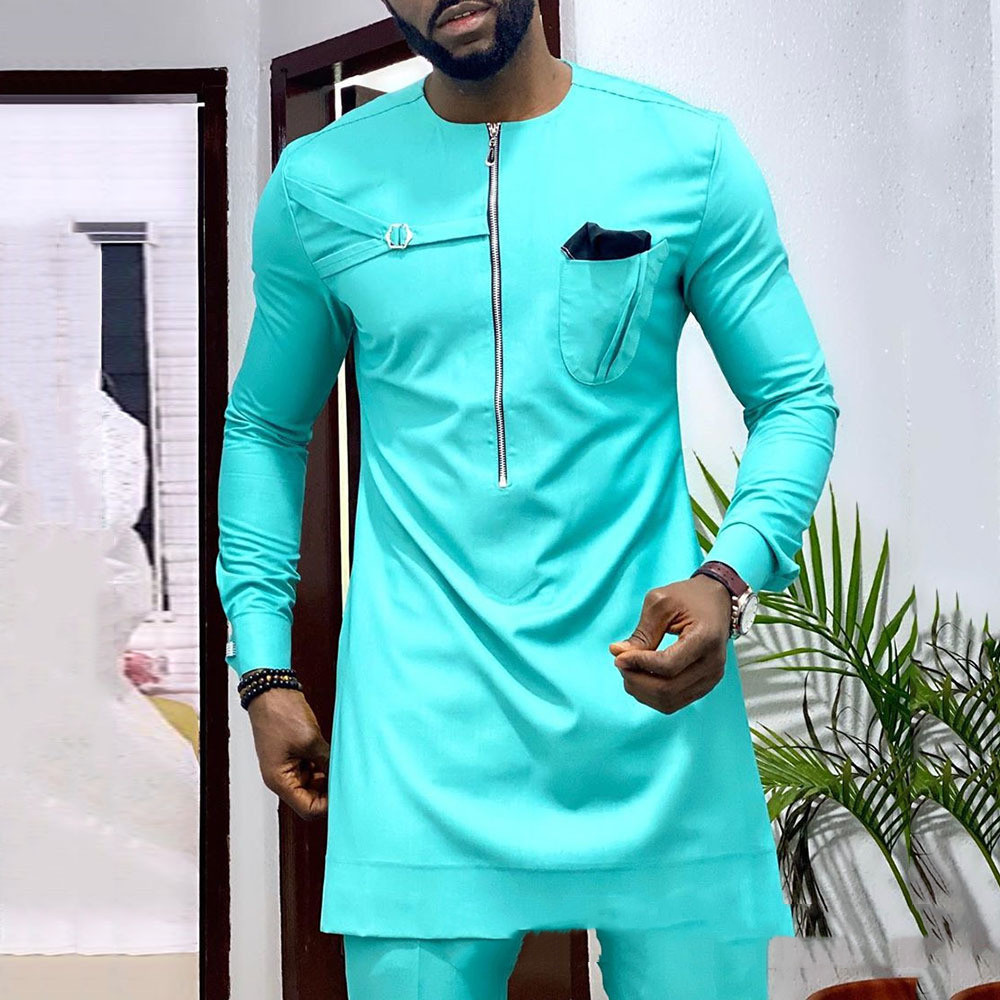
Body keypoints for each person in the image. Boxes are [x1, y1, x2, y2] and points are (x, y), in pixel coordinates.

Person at [215, 1, 840, 996]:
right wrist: (262, 668)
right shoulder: (320, 185)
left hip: (654, 709)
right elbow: (264, 427)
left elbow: (794, 396)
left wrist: (728, 574)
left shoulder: (688, 157)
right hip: (423, 735)